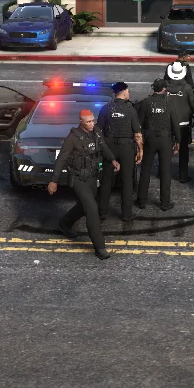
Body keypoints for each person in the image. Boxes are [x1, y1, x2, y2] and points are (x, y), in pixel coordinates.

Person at [51, 108, 112, 260]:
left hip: (92, 177)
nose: (92, 124)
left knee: (83, 206)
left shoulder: (96, 132)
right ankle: (100, 247)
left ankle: (64, 224)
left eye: (93, 121)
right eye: (88, 122)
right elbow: (61, 159)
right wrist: (54, 180)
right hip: (78, 178)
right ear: (81, 122)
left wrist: (112, 159)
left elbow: (103, 146)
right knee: (92, 209)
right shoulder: (72, 138)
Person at [97, 82, 143, 222]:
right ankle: (126, 214)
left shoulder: (106, 108)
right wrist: (140, 150)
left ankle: (102, 212)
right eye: (128, 91)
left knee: (106, 179)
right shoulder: (130, 109)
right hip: (126, 147)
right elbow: (137, 133)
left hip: (109, 145)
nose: (129, 93)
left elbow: (98, 130)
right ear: (123, 91)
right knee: (127, 180)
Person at [138, 77, 179, 211]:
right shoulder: (169, 103)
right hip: (165, 140)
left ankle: (141, 200)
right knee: (165, 171)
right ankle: (165, 203)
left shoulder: (146, 102)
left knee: (145, 170)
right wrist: (178, 141)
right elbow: (175, 124)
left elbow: (139, 123)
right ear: (163, 89)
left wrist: (139, 140)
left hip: (150, 139)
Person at [163, 53, 194, 182]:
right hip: (183, 123)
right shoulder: (187, 88)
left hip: (168, 122)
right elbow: (193, 104)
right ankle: (183, 175)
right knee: (183, 149)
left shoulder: (165, 88)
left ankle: (163, 173)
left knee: (166, 149)